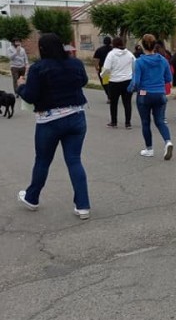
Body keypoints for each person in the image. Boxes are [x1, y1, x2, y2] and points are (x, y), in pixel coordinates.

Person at [16, 33, 91, 219]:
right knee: (74, 160)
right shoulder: (75, 63)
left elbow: (31, 96)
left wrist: (20, 86)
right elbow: (84, 81)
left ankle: (32, 198)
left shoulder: (38, 68)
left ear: (42, 49)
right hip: (76, 116)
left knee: (43, 160)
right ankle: (83, 206)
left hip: (49, 121)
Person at [128, 34, 174, 160]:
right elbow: (169, 78)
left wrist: (131, 89)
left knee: (145, 122)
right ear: (155, 45)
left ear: (142, 45)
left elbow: (136, 82)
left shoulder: (140, 62)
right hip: (160, 94)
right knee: (160, 121)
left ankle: (149, 149)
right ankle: (168, 141)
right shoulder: (163, 60)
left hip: (144, 94)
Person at [101, 37, 135, 129]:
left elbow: (106, 69)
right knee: (127, 103)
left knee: (114, 103)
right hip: (127, 80)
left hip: (114, 81)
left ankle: (114, 122)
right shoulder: (129, 54)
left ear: (113, 44)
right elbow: (135, 65)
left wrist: (102, 75)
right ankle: (128, 123)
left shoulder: (111, 54)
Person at [93, 36, 112, 102]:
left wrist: (97, 68)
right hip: (113, 69)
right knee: (112, 83)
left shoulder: (99, 50)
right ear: (110, 42)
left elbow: (96, 60)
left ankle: (109, 97)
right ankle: (112, 96)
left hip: (105, 69)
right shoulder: (113, 49)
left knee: (106, 84)